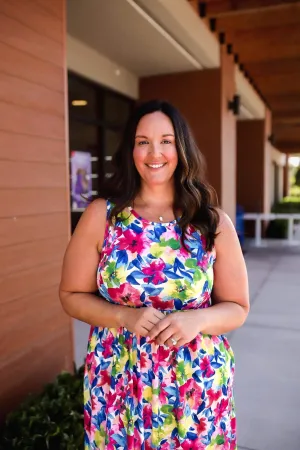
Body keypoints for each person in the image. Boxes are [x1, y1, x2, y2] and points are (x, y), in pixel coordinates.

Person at [59, 100, 249, 450]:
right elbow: (70, 295)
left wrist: (197, 320)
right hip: (118, 383)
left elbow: (237, 306)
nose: (154, 152)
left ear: (181, 148)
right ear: (131, 150)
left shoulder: (211, 221)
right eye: (143, 141)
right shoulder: (103, 216)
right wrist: (122, 315)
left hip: (197, 387)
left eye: (166, 140)